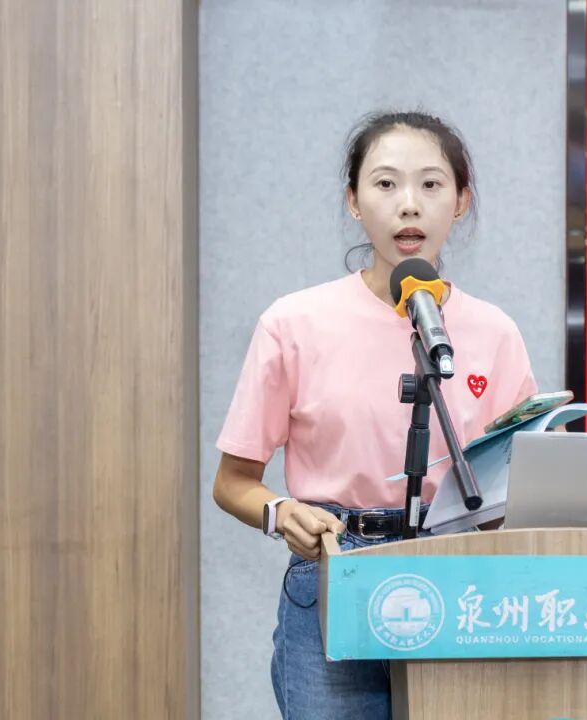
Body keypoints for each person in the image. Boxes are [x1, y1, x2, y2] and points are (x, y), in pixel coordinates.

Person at [212, 111, 538, 720]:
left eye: (431, 184)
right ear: (354, 201)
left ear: (461, 201)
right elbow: (232, 482)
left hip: (458, 582)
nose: (408, 204)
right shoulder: (293, 323)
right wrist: (281, 513)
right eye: (386, 184)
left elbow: (520, 489)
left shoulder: (495, 332)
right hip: (336, 573)